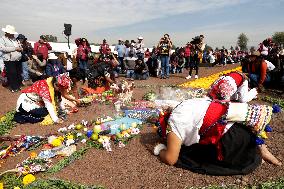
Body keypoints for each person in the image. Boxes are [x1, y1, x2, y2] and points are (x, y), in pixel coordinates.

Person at [153, 98, 281, 175]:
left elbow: (171, 159)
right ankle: (258, 151)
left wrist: (161, 151)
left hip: (233, 144)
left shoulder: (173, 124)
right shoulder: (186, 104)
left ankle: (254, 156)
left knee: (189, 155)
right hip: (246, 132)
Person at [0, 25, 23, 92]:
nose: (13, 34)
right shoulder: (2, 39)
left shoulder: (15, 40)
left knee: (18, 73)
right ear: (7, 33)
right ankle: (13, 87)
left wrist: (20, 48)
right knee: (12, 73)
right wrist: (15, 48)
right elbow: (3, 48)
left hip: (17, 59)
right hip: (9, 60)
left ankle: (18, 86)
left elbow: (19, 46)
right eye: (11, 33)